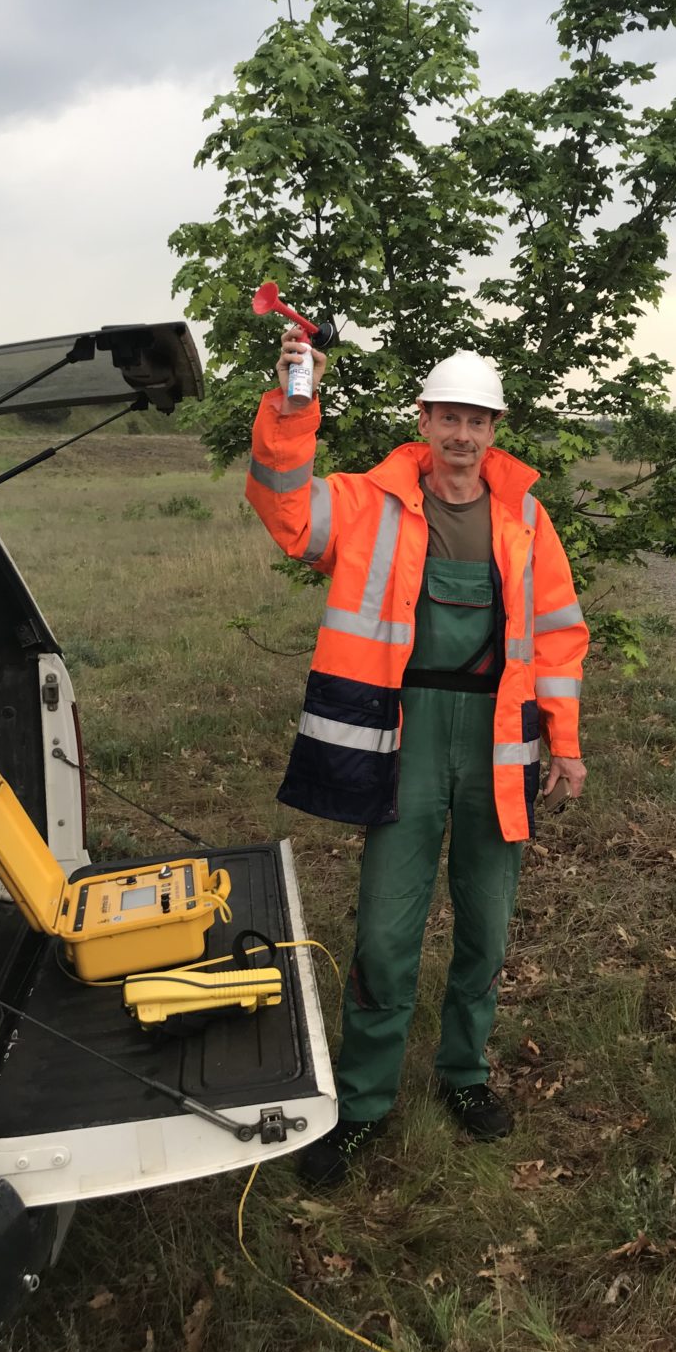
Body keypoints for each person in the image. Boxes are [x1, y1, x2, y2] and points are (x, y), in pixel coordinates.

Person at [246, 329, 588, 1187]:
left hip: (499, 740)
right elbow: (286, 507)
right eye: (448, 416)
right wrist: (293, 405)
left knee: (487, 925)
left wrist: (568, 745)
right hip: (404, 739)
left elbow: (557, 636)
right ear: (424, 420)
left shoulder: (527, 519)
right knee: (388, 930)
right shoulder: (367, 503)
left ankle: (465, 1076)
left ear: (494, 427)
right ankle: (363, 1103)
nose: (462, 434)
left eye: (477, 419)